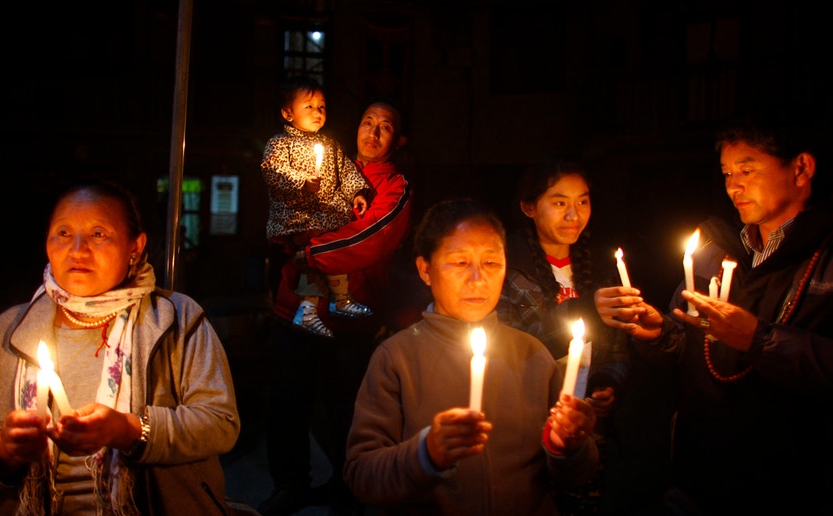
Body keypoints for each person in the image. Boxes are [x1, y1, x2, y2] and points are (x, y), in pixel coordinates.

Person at [0, 180, 245, 515]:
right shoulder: (7, 333)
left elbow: (220, 423)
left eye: (98, 234)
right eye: (63, 233)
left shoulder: (176, 320)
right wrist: (2, 449)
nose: (77, 249)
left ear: (136, 246)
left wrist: (129, 430)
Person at [594, 105, 833, 514]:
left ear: (801, 169)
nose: (733, 186)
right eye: (726, 173)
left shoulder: (825, 261)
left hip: (792, 487)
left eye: (747, 169)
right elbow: (686, 345)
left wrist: (759, 340)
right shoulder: (713, 251)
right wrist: (656, 331)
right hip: (697, 482)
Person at [344, 198, 599, 515]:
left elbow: (573, 475)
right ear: (425, 269)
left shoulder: (533, 354)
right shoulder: (395, 359)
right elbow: (362, 475)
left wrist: (569, 446)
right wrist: (427, 453)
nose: (478, 279)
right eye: (460, 262)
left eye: (491, 263)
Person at [258, 100, 414, 516]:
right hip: (296, 308)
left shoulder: (394, 186)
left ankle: (347, 491)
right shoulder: (327, 162)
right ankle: (289, 484)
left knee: (347, 411)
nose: (373, 132)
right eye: (367, 122)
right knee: (287, 404)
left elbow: (371, 239)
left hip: (348, 321)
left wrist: (310, 251)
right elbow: (285, 207)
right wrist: (287, 233)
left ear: (398, 140)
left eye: (385, 126)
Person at [496, 159, 633, 514]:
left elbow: (617, 348)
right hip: (527, 426)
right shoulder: (506, 268)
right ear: (529, 207)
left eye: (583, 201)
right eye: (560, 203)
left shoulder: (598, 268)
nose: (574, 214)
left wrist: (607, 383)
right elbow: (512, 346)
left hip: (587, 431)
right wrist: (582, 309)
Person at [261, 75, 373, 339]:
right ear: (288, 113)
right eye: (308, 106)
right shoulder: (280, 144)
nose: (317, 112)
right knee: (317, 253)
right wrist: (301, 182)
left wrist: (357, 191)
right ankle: (313, 309)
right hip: (297, 217)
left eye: (321, 106)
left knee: (335, 251)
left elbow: (346, 171)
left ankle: (334, 301)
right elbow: (272, 170)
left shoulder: (331, 146)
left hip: (327, 217)